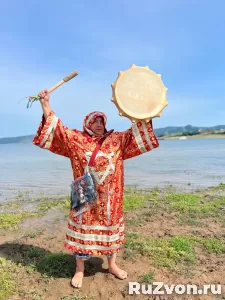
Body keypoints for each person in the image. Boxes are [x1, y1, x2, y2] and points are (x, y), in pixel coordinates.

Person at [33, 89, 159, 288]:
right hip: (84, 193)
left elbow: (138, 133)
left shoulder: (117, 139)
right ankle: (80, 269)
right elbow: (57, 130)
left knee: (111, 229)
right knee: (82, 230)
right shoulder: (75, 140)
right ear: (87, 124)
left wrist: (144, 110)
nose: (99, 125)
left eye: (102, 121)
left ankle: (112, 265)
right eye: (95, 122)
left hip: (111, 196)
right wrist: (45, 104)